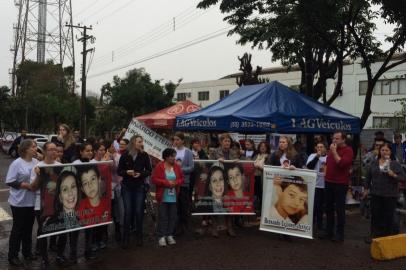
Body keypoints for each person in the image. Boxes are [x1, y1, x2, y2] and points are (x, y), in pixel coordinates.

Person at [6, 139, 39, 266]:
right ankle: (12, 255)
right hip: (18, 202)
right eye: (33, 147)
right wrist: (25, 185)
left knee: (28, 228)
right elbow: (9, 181)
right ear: (25, 149)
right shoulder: (17, 163)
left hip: (32, 201)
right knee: (18, 229)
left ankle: (27, 253)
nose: (36, 148)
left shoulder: (36, 162)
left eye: (36, 146)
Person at [364, 142, 406, 239]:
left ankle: (386, 237)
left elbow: (403, 178)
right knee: (375, 215)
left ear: (391, 152)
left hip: (389, 195)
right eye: (382, 150)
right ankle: (373, 235)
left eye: (386, 150)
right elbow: (368, 177)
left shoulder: (395, 164)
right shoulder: (374, 163)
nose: (384, 152)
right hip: (376, 194)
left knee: (388, 217)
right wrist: (366, 189)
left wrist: (394, 175)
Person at [29, 142, 60, 270]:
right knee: (43, 232)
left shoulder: (60, 166)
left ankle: (59, 255)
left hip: (57, 204)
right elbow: (33, 187)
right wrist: (38, 175)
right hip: (40, 205)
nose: (54, 152)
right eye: (51, 150)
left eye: (56, 150)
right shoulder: (38, 167)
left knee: (59, 229)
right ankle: (45, 259)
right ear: (45, 151)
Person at [117, 135, 152, 249]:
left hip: (139, 187)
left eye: (142, 142)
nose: (141, 143)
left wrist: (140, 174)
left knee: (138, 211)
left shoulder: (144, 155)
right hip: (127, 186)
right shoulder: (125, 155)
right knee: (128, 212)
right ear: (133, 142)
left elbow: (149, 171)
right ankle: (125, 238)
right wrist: (127, 172)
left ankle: (139, 236)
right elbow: (119, 171)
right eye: (139, 142)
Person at [42, 169, 81, 267]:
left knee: (64, 233)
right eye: (65, 189)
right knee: (42, 234)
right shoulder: (49, 217)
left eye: (73, 187)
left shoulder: (77, 211)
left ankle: (60, 255)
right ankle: (44, 260)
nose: (70, 193)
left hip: (67, 212)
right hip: (50, 212)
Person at [324, 131, 354, 242]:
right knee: (328, 208)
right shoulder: (331, 150)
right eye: (333, 138)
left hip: (341, 184)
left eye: (337, 138)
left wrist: (334, 151)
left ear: (343, 139)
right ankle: (329, 231)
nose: (334, 140)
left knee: (339, 209)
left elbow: (341, 164)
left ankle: (340, 234)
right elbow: (327, 163)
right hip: (329, 182)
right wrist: (325, 175)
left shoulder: (348, 150)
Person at [152, 148, 184, 246]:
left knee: (172, 216)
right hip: (162, 196)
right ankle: (161, 236)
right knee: (163, 216)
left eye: (174, 156)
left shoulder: (177, 167)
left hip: (173, 196)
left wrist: (176, 183)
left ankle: (169, 235)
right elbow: (154, 179)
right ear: (166, 157)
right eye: (172, 156)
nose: (174, 158)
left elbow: (182, 179)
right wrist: (165, 183)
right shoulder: (159, 166)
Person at [209, 133, 240, 236]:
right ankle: (214, 228)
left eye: (229, 141)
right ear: (221, 142)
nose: (227, 143)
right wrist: (217, 161)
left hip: (229, 181)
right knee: (217, 203)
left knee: (229, 204)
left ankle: (229, 227)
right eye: (225, 141)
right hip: (218, 181)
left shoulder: (234, 152)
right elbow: (208, 165)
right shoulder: (214, 151)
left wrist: (236, 162)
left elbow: (237, 167)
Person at [194, 166, 229, 237]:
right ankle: (214, 228)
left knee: (228, 209)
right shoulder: (206, 200)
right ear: (210, 184)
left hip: (224, 197)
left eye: (220, 179)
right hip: (211, 197)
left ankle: (229, 228)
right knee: (213, 208)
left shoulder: (228, 196)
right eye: (214, 180)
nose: (218, 183)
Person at [172, 132, 194, 235]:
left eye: (177, 140)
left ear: (182, 141)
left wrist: (180, 169)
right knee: (175, 206)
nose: (175, 142)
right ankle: (177, 227)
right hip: (173, 183)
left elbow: (191, 167)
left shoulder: (188, 152)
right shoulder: (172, 151)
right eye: (174, 140)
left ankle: (185, 226)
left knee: (184, 205)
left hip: (184, 183)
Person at [306, 142, 327, 231]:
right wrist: (317, 157)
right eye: (318, 147)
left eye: (321, 147)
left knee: (321, 207)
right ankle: (311, 224)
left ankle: (319, 225)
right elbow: (309, 166)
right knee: (313, 206)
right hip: (314, 185)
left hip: (324, 185)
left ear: (324, 148)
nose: (319, 149)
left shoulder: (328, 157)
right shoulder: (312, 155)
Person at [253, 141, 270, 215]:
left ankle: (262, 212)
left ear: (267, 148)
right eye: (261, 146)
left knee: (262, 195)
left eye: (264, 146)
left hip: (263, 178)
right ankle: (255, 210)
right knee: (255, 194)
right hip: (254, 177)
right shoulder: (255, 155)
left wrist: (260, 167)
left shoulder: (269, 156)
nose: (262, 147)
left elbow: (269, 168)